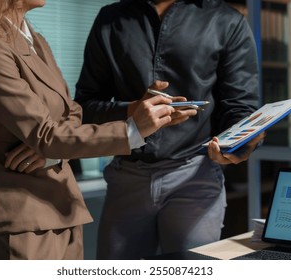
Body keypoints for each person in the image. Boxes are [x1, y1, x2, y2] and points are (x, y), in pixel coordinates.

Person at [0, 0, 188, 260]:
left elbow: (72, 113)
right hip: (22, 218)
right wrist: (132, 129)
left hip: (64, 206)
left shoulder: (37, 42)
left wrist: (53, 151)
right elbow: (47, 135)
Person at [74, 0, 265, 259]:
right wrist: (134, 110)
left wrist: (239, 142)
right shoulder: (111, 19)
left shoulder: (226, 20)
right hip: (127, 176)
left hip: (194, 177)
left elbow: (240, 106)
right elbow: (85, 105)